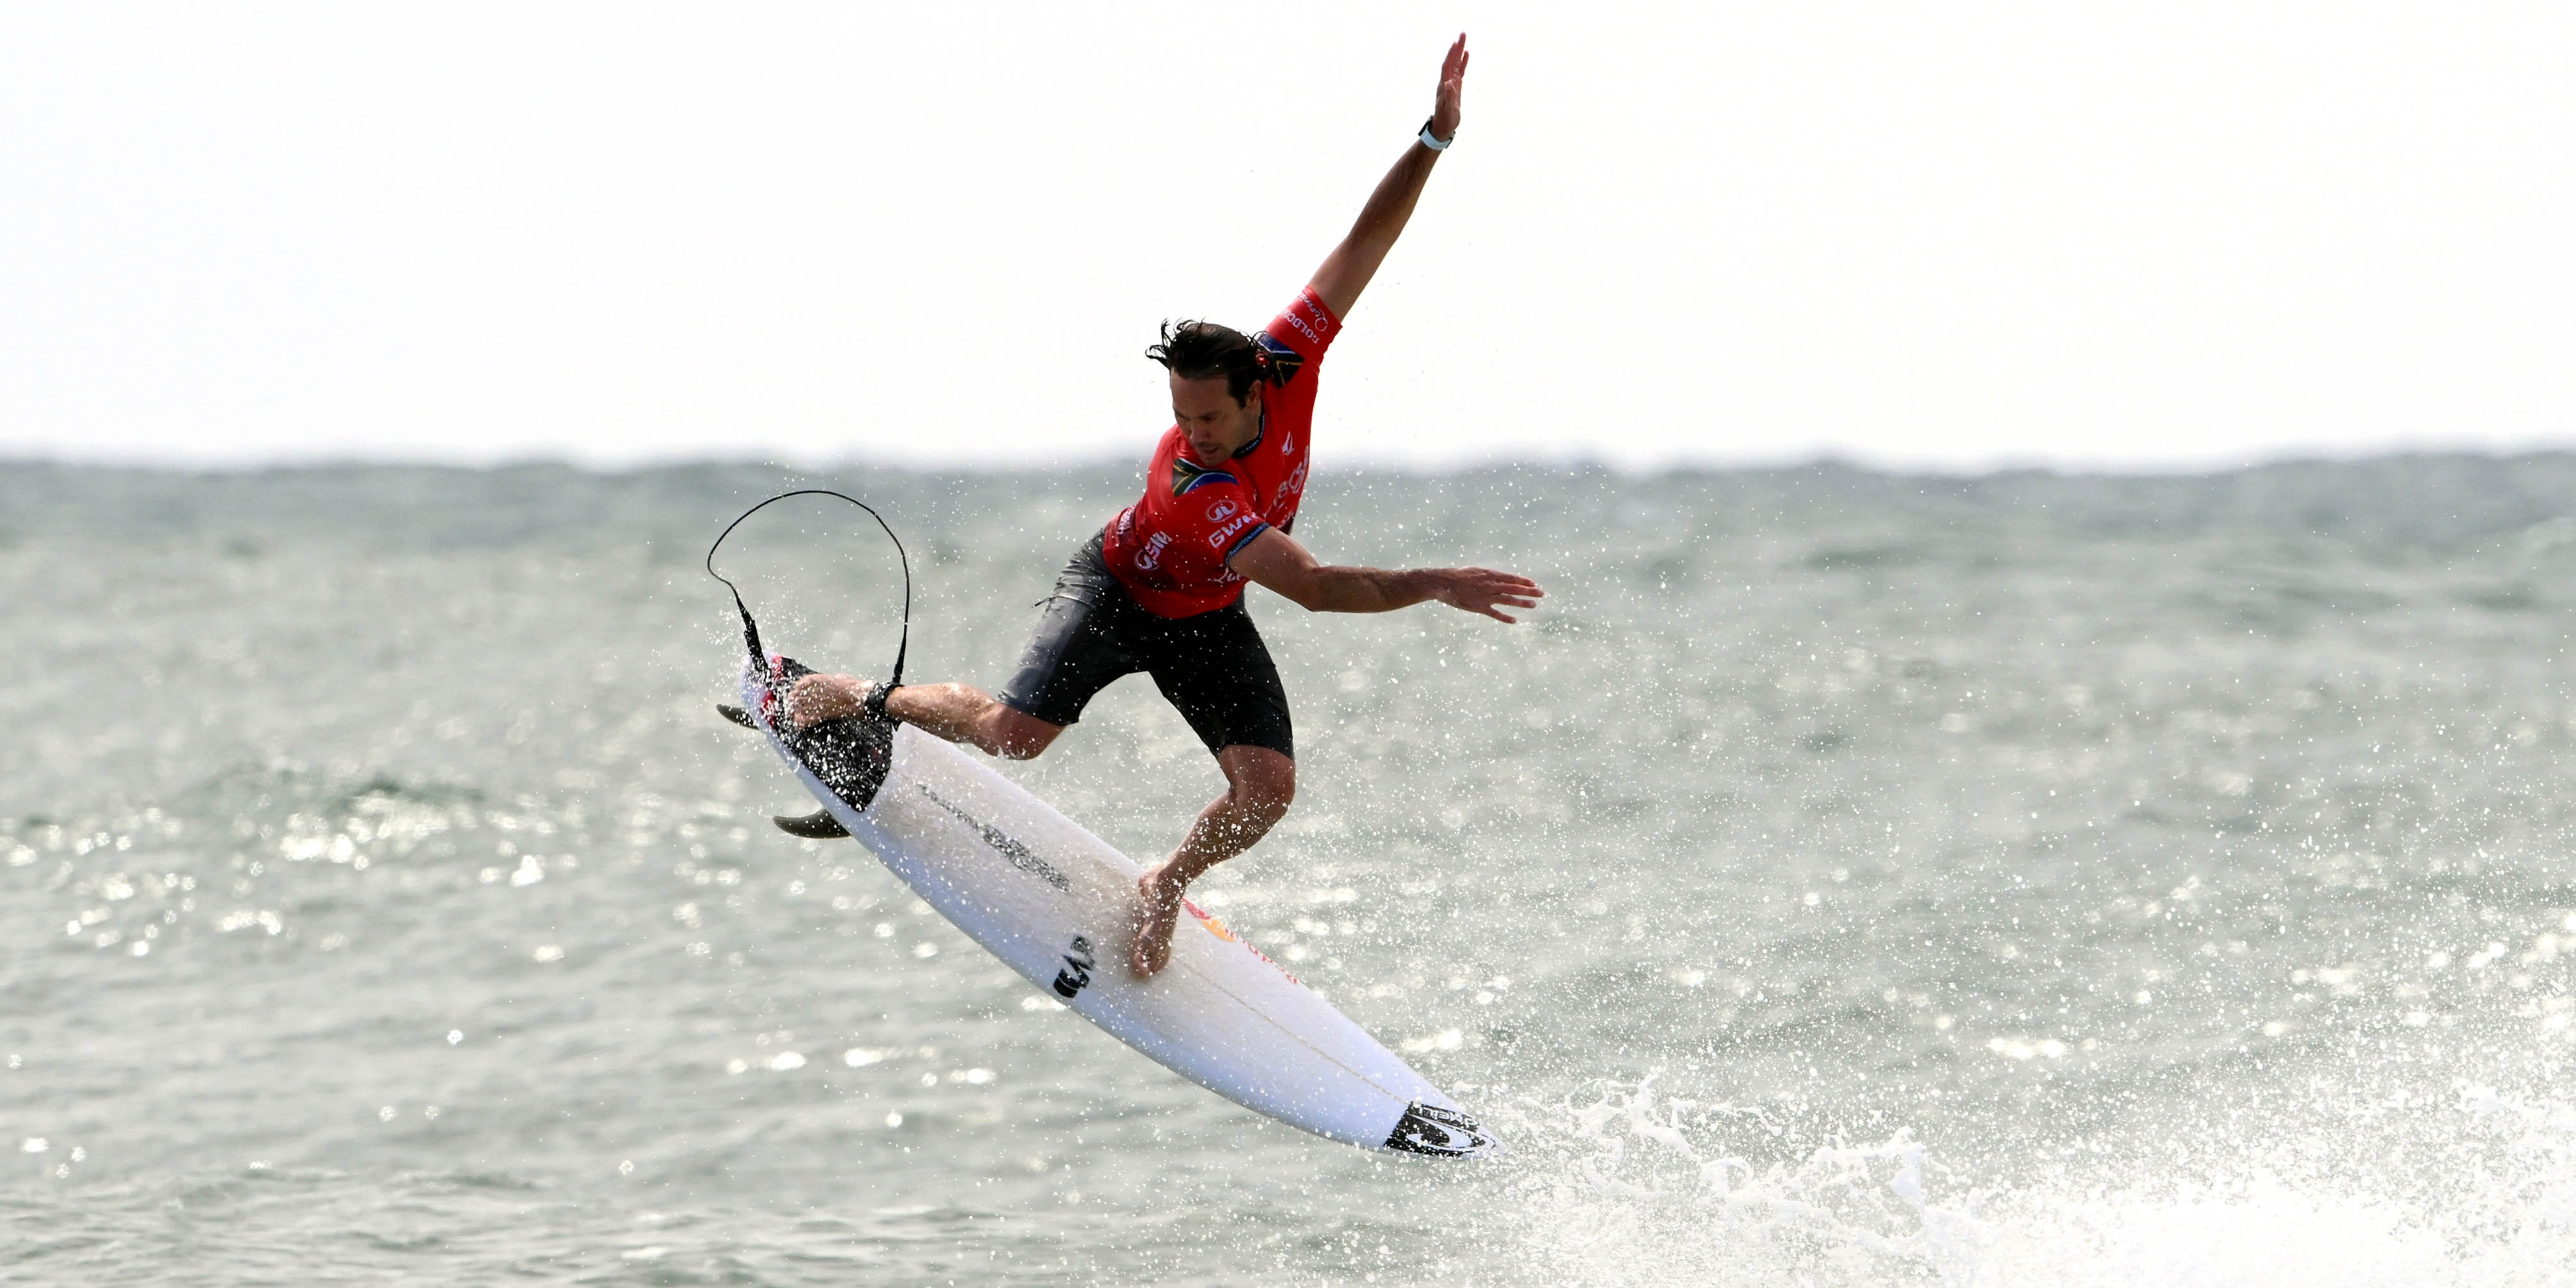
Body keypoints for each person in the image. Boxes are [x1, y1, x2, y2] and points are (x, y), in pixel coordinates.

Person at [788, 34, 1539, 978]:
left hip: (1204, 616)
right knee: (1017, 738)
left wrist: (1433, 139)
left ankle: (1166, 882)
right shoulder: (1198, 486)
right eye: (1180, 415)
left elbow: (1367, 241)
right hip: (1117, 592)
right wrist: (1432, 581)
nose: (1195, 431)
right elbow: (1309, 587)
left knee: (1266, 792)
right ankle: (857, 696)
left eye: (1210, 414)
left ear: (1253, 386)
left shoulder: (1289, 350)